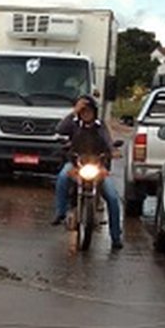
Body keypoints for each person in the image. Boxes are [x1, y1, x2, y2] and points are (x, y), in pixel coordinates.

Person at [52, 96, 124, 250]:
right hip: (76, 165)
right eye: (82, 111)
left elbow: (108, 142)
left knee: (112, 197)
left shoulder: (101, 126)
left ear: (95, 112)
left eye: (89, 111)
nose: (86, 114)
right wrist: (74, 112)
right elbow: (59, 130)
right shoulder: (74, 124)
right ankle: (60, 212)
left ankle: (116, 236)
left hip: (98, 167)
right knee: (63, 177)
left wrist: (113, 151)